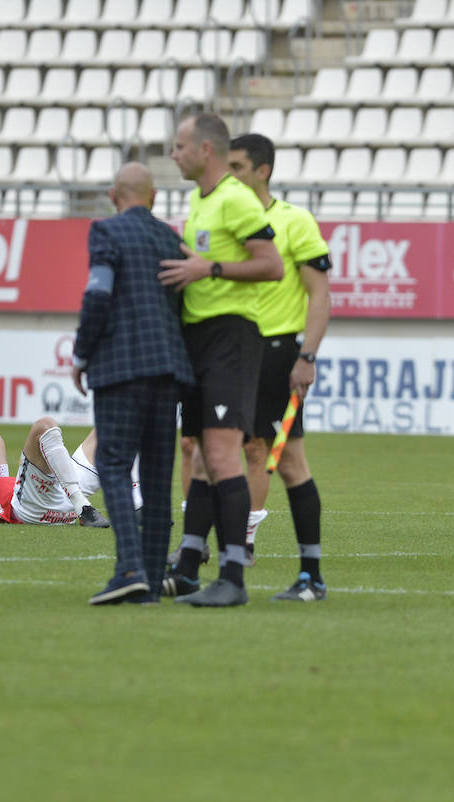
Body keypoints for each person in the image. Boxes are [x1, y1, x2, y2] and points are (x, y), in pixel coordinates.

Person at [156, 112, 283, 607]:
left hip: (233, 336)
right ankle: (188, 566)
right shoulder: (198, 199)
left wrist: (208, 266)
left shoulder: (234, 198)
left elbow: (271, 265)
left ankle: (232, 576)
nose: (173, 154)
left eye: (180, 146)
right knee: (204, 457)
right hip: (200, 337)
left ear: (204, 150)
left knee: (225, 454)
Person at [71, 161, 195, 606]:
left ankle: (129, 570)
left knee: (116, 465)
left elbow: (98, 294)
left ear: (112, 196)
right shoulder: (170, 238)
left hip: (120, 368)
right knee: (160, 477)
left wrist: (82, 354)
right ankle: (151, 574)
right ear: (155, 198)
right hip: (168, 370)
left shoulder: (106, 233)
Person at [225, 133, 333, 601]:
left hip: (276, 355)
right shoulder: (229, 219)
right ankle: (238, 546)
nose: (230, 175)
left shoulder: (294, 221)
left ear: (262, 170)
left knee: (289, 462)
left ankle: (311, 575)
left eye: (238, 167)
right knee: (242, 450)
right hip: (234, 352)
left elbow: (320, 294)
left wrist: (306, 356)